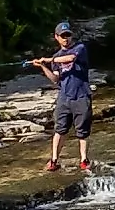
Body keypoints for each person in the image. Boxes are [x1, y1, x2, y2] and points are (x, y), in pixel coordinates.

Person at [33, 22, 95, 175]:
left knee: (83, 131)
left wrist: (48, 60)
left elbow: (70, 58)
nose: (66, 39)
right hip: (64, 98)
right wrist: (43, 66)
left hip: (81, 95)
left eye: (68, 35)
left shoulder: (79, 48)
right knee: (60, 129)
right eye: (63, 36)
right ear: (56, 37)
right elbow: (55, 79)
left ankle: (84, 160)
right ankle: (54, 160)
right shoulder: (55, 57)